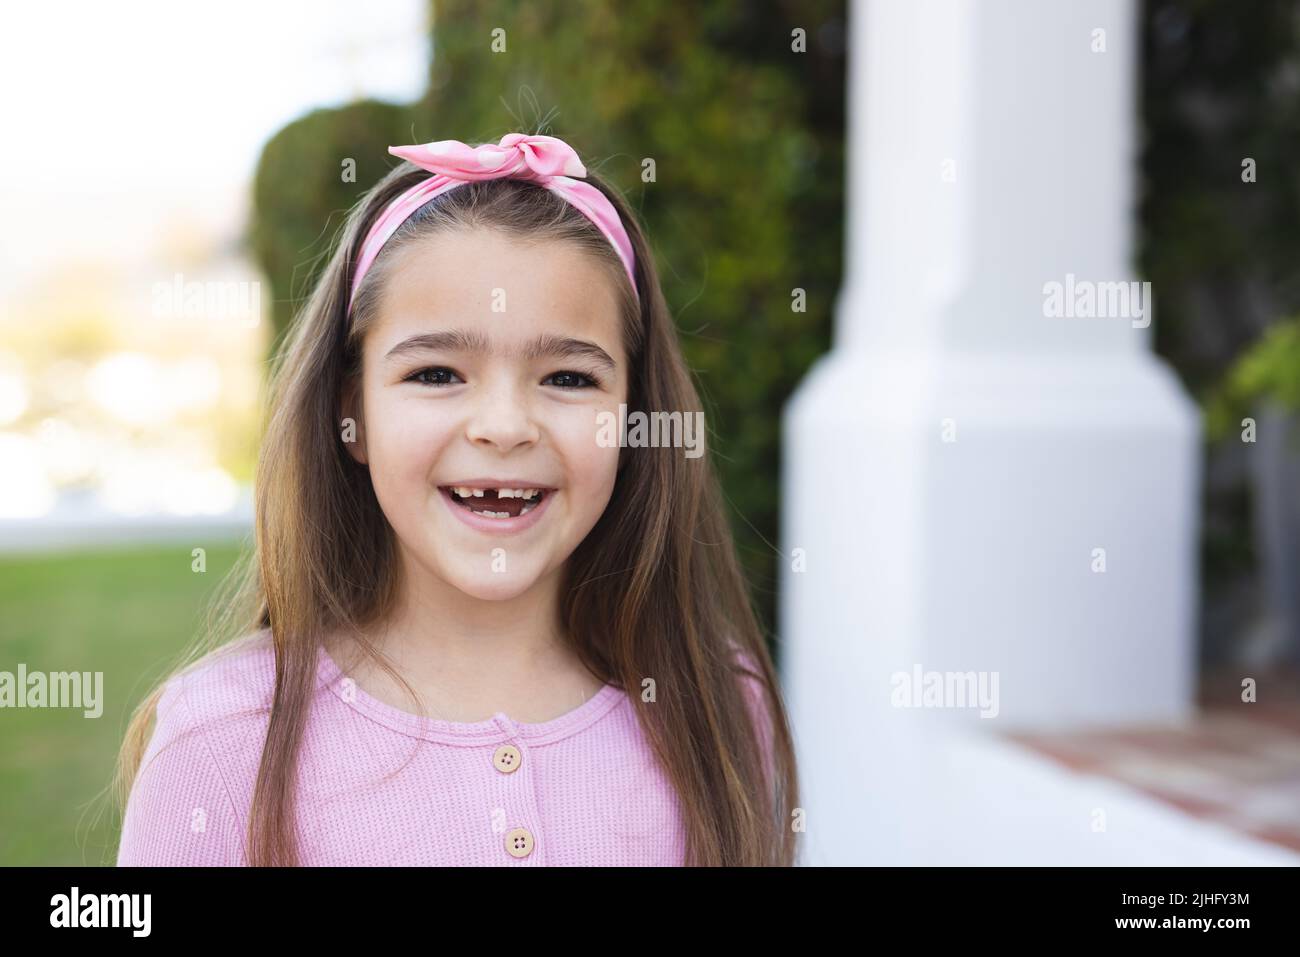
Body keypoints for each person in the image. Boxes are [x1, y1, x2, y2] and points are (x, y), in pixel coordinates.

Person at [114, 132, 797, 866]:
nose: (504, 426)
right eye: (437, 374)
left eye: (568, 378)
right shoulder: (223, 736)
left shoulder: (718, 708)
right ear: (353, 415)